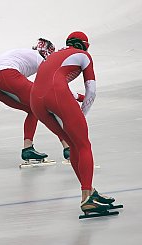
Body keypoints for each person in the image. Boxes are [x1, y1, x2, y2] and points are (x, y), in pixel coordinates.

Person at [30, 31, 117, 215]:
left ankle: (89, 192)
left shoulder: (54, 56)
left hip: (35, 100)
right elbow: (91, 90)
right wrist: (81, 115)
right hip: (56, 94)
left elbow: (50, 83)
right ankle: (87, 198)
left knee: (74, 145)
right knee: (83, 144)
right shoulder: (84, 56)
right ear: (84, 45)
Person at [0, 38, 70, 162]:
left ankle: (28, 150)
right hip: (8, 76)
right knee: (45, 106)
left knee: (32, 110)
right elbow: (52, 84)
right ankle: (68, 148)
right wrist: (76, 96)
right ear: (47, 54)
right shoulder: (41, 60)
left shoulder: (21, 53)